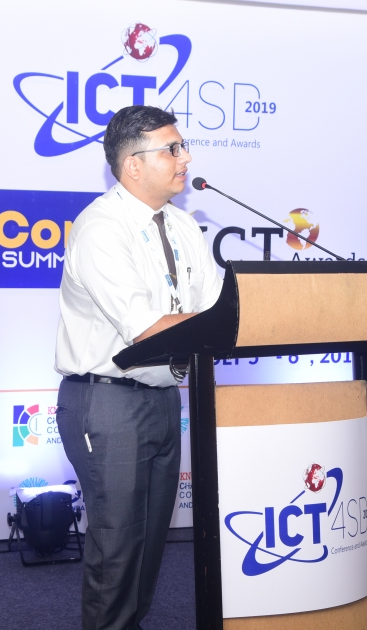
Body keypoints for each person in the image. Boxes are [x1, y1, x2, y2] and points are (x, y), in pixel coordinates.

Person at [54, 105, 223, 630]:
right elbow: (143, 326)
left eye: (183, 146)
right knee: (118, 543)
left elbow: (215, 306)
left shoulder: (183, 225)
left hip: (163, 397)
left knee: (149, 541)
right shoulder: (102, 228)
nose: (185, 158)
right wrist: (218, 320)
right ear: (132, 165)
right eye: (172, 149)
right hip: (106, 403)